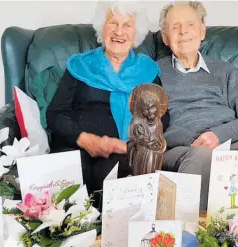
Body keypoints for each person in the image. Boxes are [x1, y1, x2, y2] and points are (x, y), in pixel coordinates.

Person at [46, 2, 168, 204]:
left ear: (135, 33)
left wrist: (129, 145)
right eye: (113, 23)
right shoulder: (80, 65)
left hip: (123, 149)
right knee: (75, 178)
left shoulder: (147, 70)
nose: (119, 31)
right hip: (76, 144)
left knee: (111, 175)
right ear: (102, 28)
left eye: (127, 25)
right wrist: (84, 139)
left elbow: (162, 116)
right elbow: (56, 113)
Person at [157, 1, 238, 210]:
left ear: (202, 31)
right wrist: (194, 140)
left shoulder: (224, 71)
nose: (183, 32)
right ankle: (191, 229)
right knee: (202, 156)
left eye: (190, 25)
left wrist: (219, 135)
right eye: (175, 27)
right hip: (183, 147)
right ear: (165, 37)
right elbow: (146, 123)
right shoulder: (153, 72)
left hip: (228, 143)